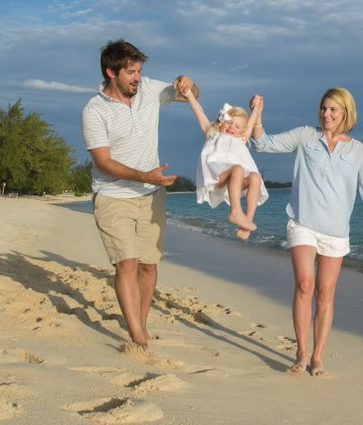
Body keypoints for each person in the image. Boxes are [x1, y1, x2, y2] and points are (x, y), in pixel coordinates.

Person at [250, 87, 363, 377]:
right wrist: (257, 114)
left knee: (325, 293)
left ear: (345, 113)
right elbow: (262, 144)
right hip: (302, 222)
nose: (326, 114)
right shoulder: (305, 136)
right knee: (305, 284)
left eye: (333, 109)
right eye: (323, 108)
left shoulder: (358, 150)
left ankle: (318, 357)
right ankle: (301, 353)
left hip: (336, 231)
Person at [81, 39, 197, 349]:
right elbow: (103, 162)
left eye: (140, 70)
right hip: (112, 195)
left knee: (148, 264)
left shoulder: (148, 90)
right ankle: (137, 337)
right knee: (127, 263)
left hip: (151, 195)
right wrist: (143, 176)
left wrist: (188, 83)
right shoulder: (94, 110)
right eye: (131, 72)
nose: (138, 78)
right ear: (111, 72)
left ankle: (140, 324)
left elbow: (191, 95)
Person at [177, 82, 269, 241]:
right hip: (216, 177)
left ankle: (246, 222)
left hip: (235, 179)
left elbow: (251, 124)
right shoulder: (212, 133)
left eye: (238, 127)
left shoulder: (241, 139)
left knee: (255, 177)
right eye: (229, 122)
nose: (233, 127)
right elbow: (199, 111)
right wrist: (189, 95)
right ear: (221, 122)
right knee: (238, 168)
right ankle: (235, 211)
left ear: (242, 131)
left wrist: (256, 109)